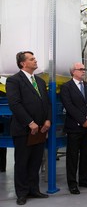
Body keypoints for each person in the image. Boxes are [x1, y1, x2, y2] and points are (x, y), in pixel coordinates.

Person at [6, 51, 51, 205]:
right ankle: (22, 193)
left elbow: (46, 103)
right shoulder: (13, 81)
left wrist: (47, 120)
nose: (35, 60)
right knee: (22, 162)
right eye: (32, 59)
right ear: (23, 63)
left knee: (35, 161)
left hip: (40, 130)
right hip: (24, 130)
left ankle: (34, 189)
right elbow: (15, 104)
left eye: (35, 58)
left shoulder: (39, 81)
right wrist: (29, 122)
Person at [60, 62, 87, 195]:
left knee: (86, 154)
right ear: (73, 72)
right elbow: (69, 106)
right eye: (81, 69)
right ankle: (72, 183)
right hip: (74, 127)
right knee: (72, 156)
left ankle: (83, 179)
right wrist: (82, 120)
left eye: (84, 69)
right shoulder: (66, 87)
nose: (84, 71)